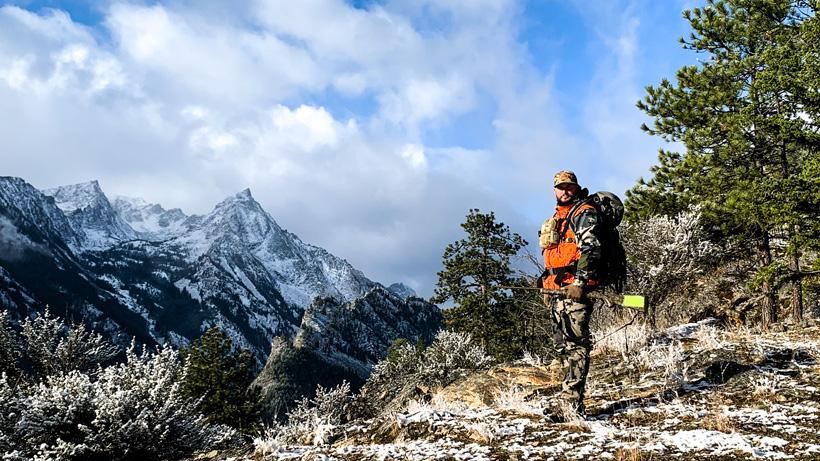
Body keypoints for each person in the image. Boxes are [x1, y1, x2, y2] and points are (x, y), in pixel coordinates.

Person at [539, 170, 601, 418]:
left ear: (576, 187)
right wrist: (546, 282)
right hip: (557, 291)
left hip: (574, 292)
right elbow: (557, 254)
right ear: (554, 189)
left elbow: (591, 249)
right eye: (560, 187)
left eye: (569, 187)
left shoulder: (583, 213)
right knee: (564, 346)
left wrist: (581, 283)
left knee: (575, 346)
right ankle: (568, 399)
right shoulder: (558, 217)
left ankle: (572, 406)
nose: (565, 191)